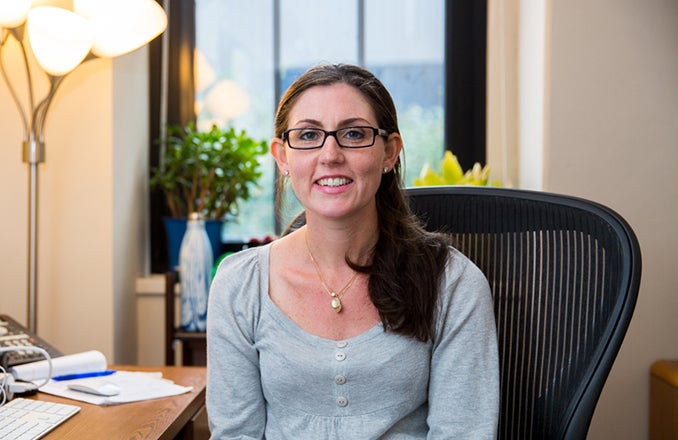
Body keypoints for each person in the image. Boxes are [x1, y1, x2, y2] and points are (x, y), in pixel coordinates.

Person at [206, 63, 499, 439]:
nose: (330, 154)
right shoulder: (239, 285)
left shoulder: (453, 283)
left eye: (354, 134)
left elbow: (463, 433)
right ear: (282, 157)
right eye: (309, 135)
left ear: (389, 153)